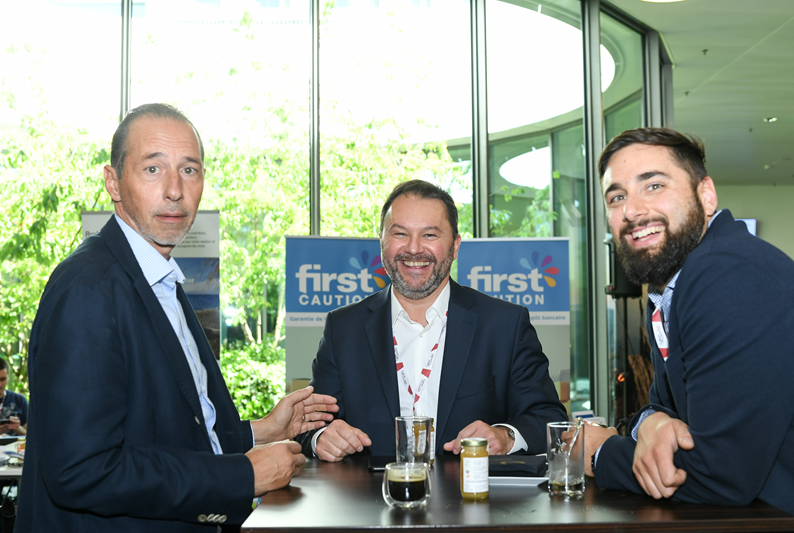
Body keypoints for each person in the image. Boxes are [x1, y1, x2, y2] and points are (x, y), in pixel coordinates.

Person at [16, 103, 338, 532]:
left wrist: (261, 431)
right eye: (153, 169)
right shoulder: (90, 289)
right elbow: (82, 470)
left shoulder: (158, 278)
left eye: (189, 170)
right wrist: (242, 475)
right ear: (113, 182)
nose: (174, 190)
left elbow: (169, 430)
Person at [584, 128, 794, 517]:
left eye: (653, 186)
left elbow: (721, 476)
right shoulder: (668, 290)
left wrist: (599, 453)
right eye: (616, 197)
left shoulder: (728, 275)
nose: (632, 210)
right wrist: (651, 423)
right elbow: (662, 407)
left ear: (706, 195)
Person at [298, 180, 567, 462]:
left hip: (469, 488)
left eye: (429, 235)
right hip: (371, 490)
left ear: (455, 246)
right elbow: (308, 425)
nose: (414, 249)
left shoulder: (504, 325)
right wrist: (321, 438)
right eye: (400, 233)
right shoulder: (343, 328)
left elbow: (548, 418)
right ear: (382, 242)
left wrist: (505, 436)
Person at [0, 359, 27, 436]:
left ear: (8, 377)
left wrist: (18, 428)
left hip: (15, 443)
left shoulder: (20, 400)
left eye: (2, 379)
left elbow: (32, 436)